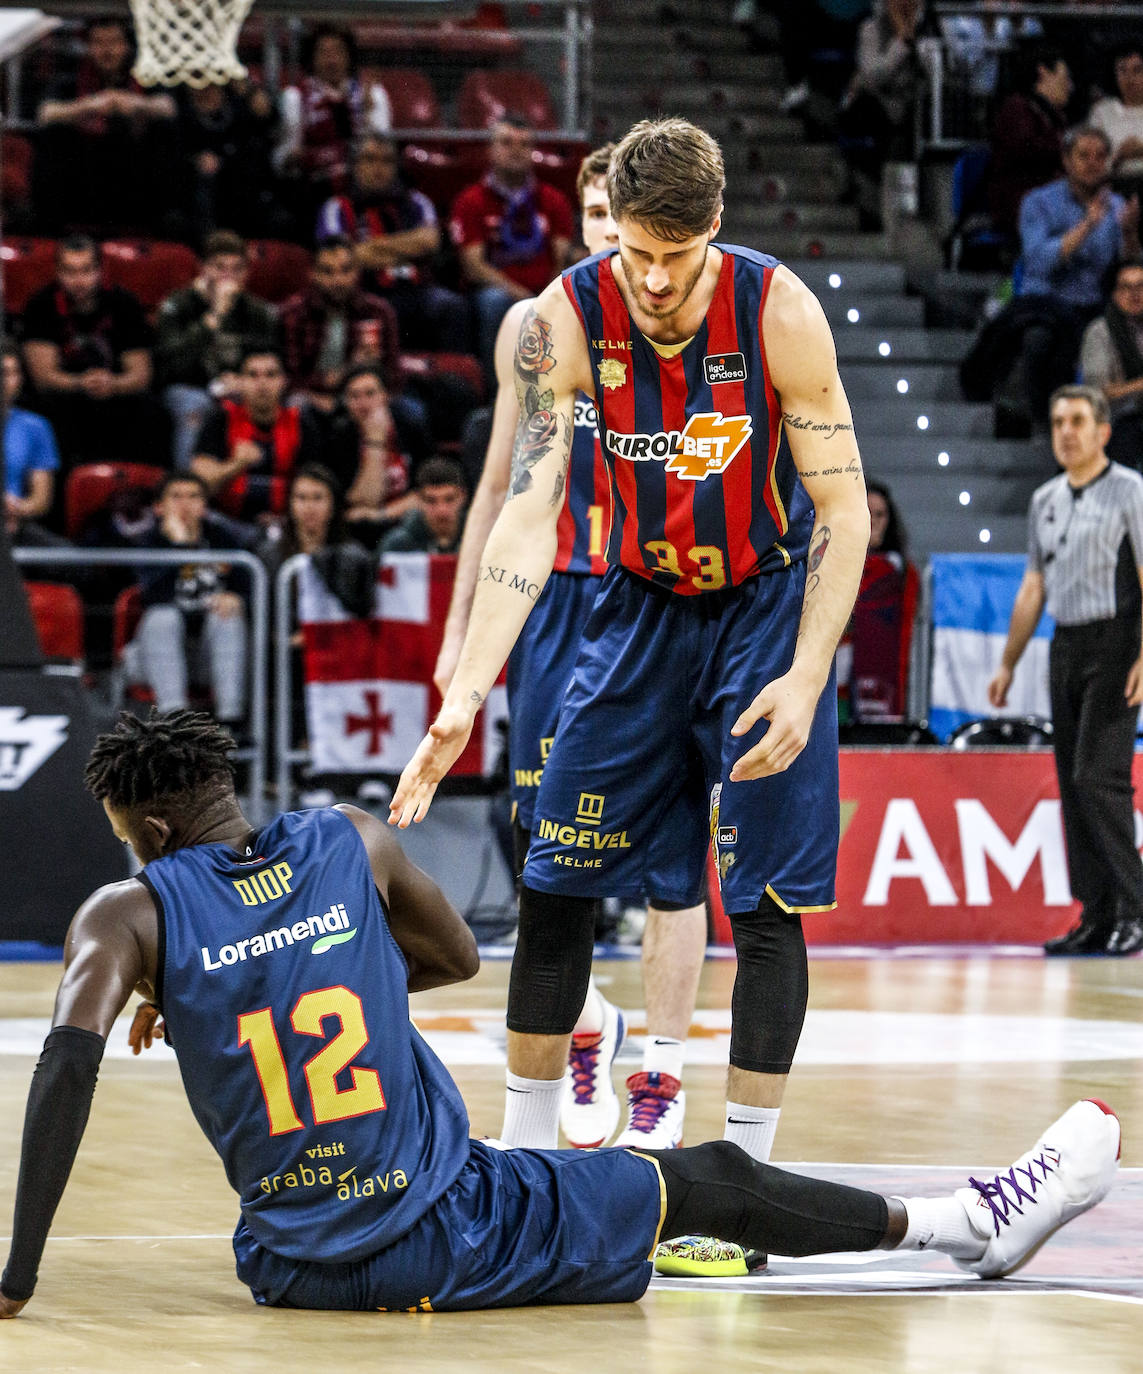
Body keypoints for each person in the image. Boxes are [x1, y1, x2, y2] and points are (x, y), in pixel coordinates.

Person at [0, 709, 1121, 1317]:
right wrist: (318, 966)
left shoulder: (126, 913)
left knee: (513, 1158)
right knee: (705, 1181)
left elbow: (64, 1071)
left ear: (142, 832)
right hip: (440, 1232)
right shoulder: (349, 840)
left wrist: (17, 1274)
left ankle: (587, 1075)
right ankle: (969, 1225)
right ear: (222, 792)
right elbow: (444, 960)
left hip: (289, 1266)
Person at [391, 117, 871, 1227]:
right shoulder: (562, 317)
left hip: (763, 604)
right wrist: (467, 686)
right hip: (638, 604)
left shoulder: (780, 312)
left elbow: (844, 508)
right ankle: (511, 1175)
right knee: (556, 879)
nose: (652, 279)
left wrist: (804, 676)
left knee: (764, 906)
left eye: (675, 255)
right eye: (634, 255)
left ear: (715, 230)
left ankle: (744, 1186)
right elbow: (530, 507)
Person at [434, 144, 706, 1155]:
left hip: (653, 593)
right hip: (550, 603)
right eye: (594, 211)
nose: (605, 229)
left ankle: (658, 1074)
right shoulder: (539, 326)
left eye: (617, 213)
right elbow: (501, 485)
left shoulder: (686, 318)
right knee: (548, 844)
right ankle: (584, 1022)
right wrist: (463, 635)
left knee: (673, 850)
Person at [988, 384, 1143, 958]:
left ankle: (1134, 906)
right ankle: (1096, 914)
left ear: (1103, 431)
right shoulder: (1046, 499)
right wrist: (1008, 661)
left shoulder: (1131, 492)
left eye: (1078, 420)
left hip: (1120, 639)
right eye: (1057, 422)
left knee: (1097, 779)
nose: (1066, 432)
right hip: (1067, 643)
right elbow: (1034, 585)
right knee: (1073, 786)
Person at [21, 235, 167, 468]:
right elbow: (43, 378)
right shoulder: (41, 304)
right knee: (45, 408)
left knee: (152, 410)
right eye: (70, 271)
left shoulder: (124, 303)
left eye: (86, 271)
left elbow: (140, 374)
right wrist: (82, 382)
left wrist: (113, 384)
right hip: (63, 394)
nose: (79, 281)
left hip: (115, 391)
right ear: (58, 272)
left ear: (100, 271)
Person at [449, 116, 575, 380]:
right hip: (497, 292)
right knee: (495, 303)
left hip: (545, 289)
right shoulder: (470, 201)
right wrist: (519, 294)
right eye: (507, 143)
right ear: (490, 150)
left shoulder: (554, 200)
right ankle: (497, 393)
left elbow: (561, 259)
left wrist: (546, 296)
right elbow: (473, 266)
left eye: (524, 144)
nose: (516, 150)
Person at [317, 134, 469, 353]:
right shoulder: (337, 207)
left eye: (386, 161)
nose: (378, 168)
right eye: (370, 159)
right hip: (365, 293)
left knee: (451, 305)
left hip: (418, 290)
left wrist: (370, 249)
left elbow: (429, 242)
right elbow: (344, 258)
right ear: (355, 166)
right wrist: (407, 247)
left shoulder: (417, 202)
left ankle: (456, 379)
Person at [33, 16, 176, 237]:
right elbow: (45, 113)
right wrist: (90, 105)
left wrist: (133, 103)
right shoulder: (71, 74)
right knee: (54, 134)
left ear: (128, 46)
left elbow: (168, 107)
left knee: (162, 132)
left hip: (135, 174)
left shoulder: (147, 74)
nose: (107, 50)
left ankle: (159, 225)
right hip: (83, 173)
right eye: (99, 42)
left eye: (114, 42)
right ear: (88, 47)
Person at [128, 473, 253, 724]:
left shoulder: (222, 539)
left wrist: (237, 598)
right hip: (154, 657)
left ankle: (232, 722)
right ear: (159, 507)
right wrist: (181, 547)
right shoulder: (149, 543)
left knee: (228, 615)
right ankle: (175, 720)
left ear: (204, 505)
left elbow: (249, 589)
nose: (185, 504)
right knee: (163, 617)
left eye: (193, 496)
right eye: (176, 497)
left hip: (210, 655)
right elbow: (153, 597)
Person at [155, 231, 282, 472]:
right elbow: (170, 367)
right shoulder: (177, 305)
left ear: (247, 273)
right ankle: (188, 488)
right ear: (203, 268)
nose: (228, 276)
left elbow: (268, 358)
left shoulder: (258, 312)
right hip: (190, 387)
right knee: (195, 405)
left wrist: (245, 380)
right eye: (220, 268)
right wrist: (213, 317)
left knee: (269, 397)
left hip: (242, 387)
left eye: (237, 269)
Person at [191, 349, 325, 523]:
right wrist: (236, 464)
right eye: (253, 375)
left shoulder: (302, 424)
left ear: (283, 381)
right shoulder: (221, 420)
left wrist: (285, 520)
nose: (262, 383)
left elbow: (318, 487)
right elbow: (199, 485)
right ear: (240, 381)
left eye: (270, 375)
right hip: (227, 524)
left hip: (287, 525)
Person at [275, 24, 391, 222]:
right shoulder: (295, 97)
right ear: (312, 58)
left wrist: (368, 115)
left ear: (348, 56)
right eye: (323, 52)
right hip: (315, 189)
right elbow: (282, 159)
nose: (331, 60)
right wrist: (297, 157)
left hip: (362, 187)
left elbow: (384, 152)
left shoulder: (372, 95)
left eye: (338, 51)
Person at [838, 478, 917, 725]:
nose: (874, 521)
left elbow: (906, 636)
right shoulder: (831, 565)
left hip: (883, 683)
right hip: (836, 676)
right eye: (867, 512)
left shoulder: (903, 573)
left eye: (881, 514)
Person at [987, 45, 1071, 243]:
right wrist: (1070, 149)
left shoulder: (1055, 116)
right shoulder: (1016, 109)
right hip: (1022, 203)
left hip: (1053, 200)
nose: (1069, 86)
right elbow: (1028, 149)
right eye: (1065, 78)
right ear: (1043, 73)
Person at [322, 362, 415, 532]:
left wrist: (381, 514)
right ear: (346, 403)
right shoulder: (339, 436)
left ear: (385, 395)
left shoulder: (408, 427)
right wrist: (375, 442)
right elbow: (363, 502)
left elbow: (425, 493)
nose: (363, 403)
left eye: (370, 393)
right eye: (355, 396)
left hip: (405, 522)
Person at [1080, 257, 1143, 469]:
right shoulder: (1101, 331)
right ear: (1114, 294)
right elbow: (1098, 393)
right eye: (1126, 287)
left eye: (1141, 286)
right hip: (1118, 420)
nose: (1135, 294)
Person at [3, 343, 62, 542]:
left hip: (15, 522)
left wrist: (15, 508)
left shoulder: (36, 426)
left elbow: (41, 500)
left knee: (78, 568)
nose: (7, 381)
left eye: (13, 373)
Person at [378, 456, 469, 554]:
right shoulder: (397, 546)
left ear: (463, 496)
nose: (441, 510)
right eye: (431, 501)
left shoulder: (481, 540)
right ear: (419, 500)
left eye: (449, 499)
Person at [1090, 42, 1143, 198]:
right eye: (1122, 71)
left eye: (1137, 70)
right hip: (1114, 189)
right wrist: (1119, 156)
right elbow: (1091, 164)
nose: (1129, 78)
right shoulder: (1101, 112)